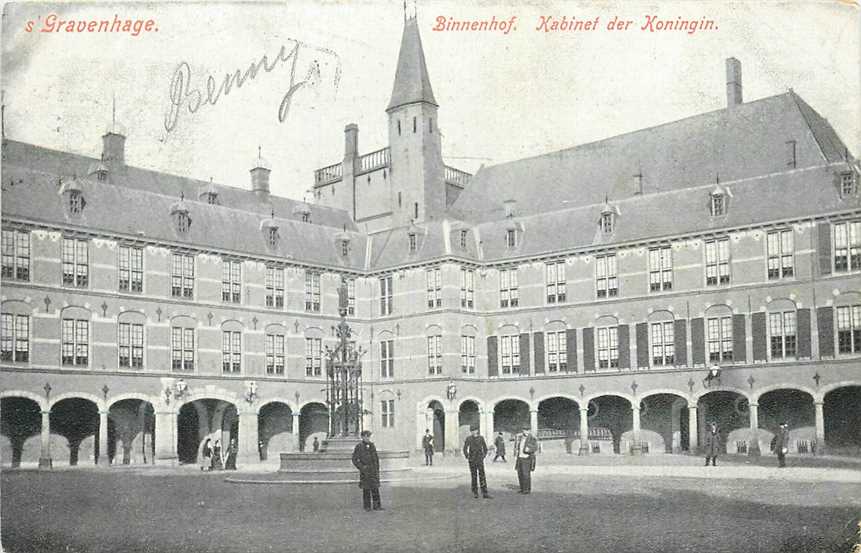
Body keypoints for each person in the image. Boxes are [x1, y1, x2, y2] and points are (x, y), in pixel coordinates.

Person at [352, 430, 382, 511]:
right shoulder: (359, 446)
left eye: (368, 436)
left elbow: (376, 458)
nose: (367, 438)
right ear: (362, 437)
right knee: (366, 489)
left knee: (375, 488)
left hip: (373, 470)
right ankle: (367, 506)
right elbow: (354, 459)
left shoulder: (372, 445)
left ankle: (377, 506)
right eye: (366, 436)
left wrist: (377, 468)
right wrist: (362, 467)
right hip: (365, 471)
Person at [463, 426, 491, 499]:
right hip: (472, 460)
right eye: (472, 431)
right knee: (474, 476)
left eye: (475, 430)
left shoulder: (481, 438)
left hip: (479, 459)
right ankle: (475, 492)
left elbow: (485, 448)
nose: (473, 432)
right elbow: (465, 448)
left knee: (482, 475)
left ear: (477, 431)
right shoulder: (468, 438)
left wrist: (483, 456)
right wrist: (467, 456)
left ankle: (484, 492)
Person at [513, 428, 538, 494]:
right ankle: (522, 488)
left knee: (526, 474)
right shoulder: (520, 437)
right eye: (524, 430)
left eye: (527, 430)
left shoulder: (532, 438)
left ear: (529, 431)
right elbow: (517, 446)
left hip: (527, 458)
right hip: (520, 458)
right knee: (520, 473)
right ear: (523, 431)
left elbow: (535, 447)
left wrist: (529, 449)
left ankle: (527, 489)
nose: (526, 432)